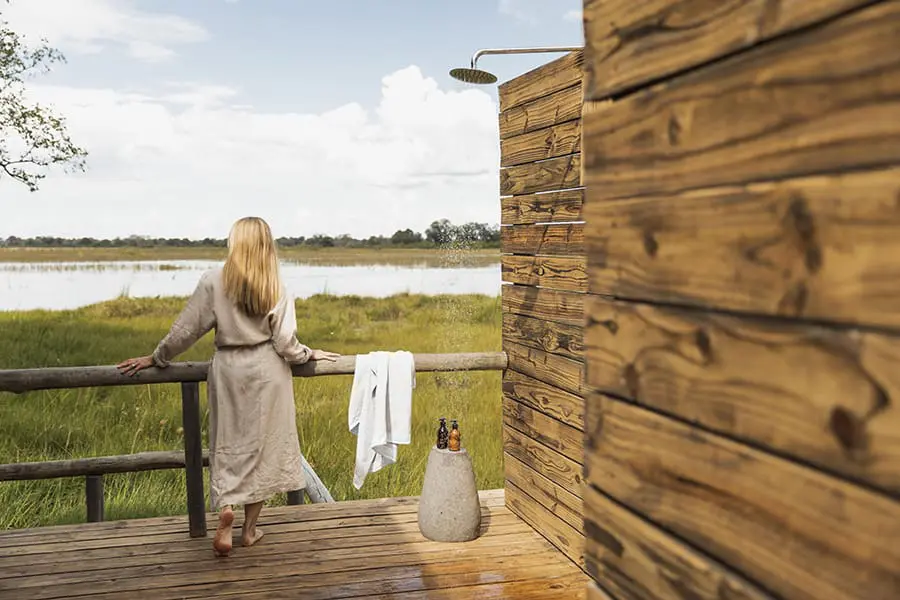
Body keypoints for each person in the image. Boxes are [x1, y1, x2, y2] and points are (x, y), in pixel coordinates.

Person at [117, 216, 340, 557]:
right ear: (267, 245)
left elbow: (186, 329)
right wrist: (310, 354)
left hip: (227, 368)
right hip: (268, 371)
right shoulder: (276, 284)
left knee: (229, 443)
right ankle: (249, 531)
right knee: (264, 447)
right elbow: (286, 343)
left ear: (234, 242)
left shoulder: (213, 280)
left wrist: (157, 356)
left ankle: (227, 510)